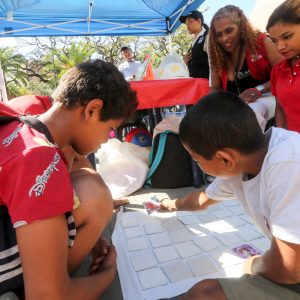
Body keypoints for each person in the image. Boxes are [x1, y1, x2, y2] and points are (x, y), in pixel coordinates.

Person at [0, 60, 138, 299]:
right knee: (95, 195)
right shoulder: (40, 157)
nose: (107, 139)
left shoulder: (19, 126)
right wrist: (107, 273)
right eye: (111, 129)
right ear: (92, 109)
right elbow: (49, 297)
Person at [161, 91, 300, 299]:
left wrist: (257, 263)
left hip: (293, 271)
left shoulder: (288, 163)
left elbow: (288, 267)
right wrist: (171, 204)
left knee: (203, 294)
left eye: (197, 160)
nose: (198, 165)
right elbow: (203, 199)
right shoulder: (243, 163)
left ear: (225, 159)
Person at [208, 5, 282, 104]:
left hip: (272, 105)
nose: (224, 38)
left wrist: (259, 89)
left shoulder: (261, 43)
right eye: (219, 34)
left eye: (229, 31)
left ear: (241, 27)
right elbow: (215, 89)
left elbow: (284, 74)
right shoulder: (217, 57)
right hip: (237, 113)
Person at [267, 0, 300, 132]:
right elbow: (280, 108)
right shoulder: (277, 71)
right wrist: (283, 138)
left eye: (287, 36)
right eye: (274, 41)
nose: (280, 47)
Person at [179, 10, 210, 79]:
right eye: (186, 24)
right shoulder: (194, 42)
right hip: (196, 85)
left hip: (207, 84)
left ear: (199, 21)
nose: (187, 26)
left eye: (190, 22)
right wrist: (186, 63)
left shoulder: (208, 36)